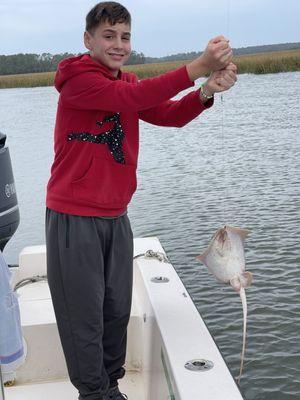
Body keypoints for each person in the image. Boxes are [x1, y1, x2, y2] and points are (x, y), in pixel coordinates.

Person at [45, 2, 237, 400]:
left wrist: (204, 92)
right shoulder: (78, 80)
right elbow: (135, 97)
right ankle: (94, 393)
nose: (118, 44)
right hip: (74, 217)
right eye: (109, 36)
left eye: (125, 36)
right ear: (88, 40)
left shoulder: (127, 84)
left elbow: (166, 113)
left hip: (116, 215)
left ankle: (110, 385)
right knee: (83, 317)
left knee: (115, 311)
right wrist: (199, 65)